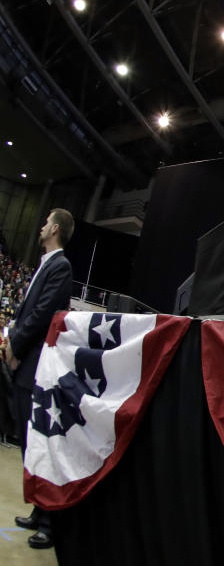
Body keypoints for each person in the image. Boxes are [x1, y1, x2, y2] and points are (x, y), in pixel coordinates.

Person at [0, 208, 74, 550]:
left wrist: (15, 344)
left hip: (35, 366)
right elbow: (26, 310)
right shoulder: (46, 264)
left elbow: (42, 314)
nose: (41, 227)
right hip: (25, 362)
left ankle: (48, 520)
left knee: (39, 444)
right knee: (29, 445)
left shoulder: (60, 266)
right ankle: (36, 506)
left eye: (45, 222)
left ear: (55, 228)